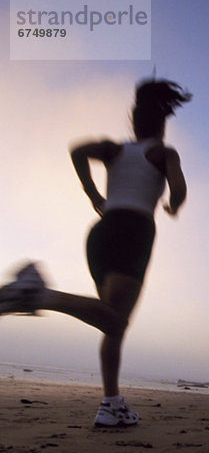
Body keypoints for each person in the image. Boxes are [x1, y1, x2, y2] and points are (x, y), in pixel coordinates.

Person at [0, 78, 191, 427]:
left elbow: (76, 150)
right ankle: (37, 294)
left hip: (100, 234)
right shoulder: (164, 153)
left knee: (110, 322)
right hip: (134, 230)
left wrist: (93, 195)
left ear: (134, 121)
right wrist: (173, 204)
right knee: (115, 319)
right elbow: (178, 190)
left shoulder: (114, 149)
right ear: (162, 124)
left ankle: (110, 403)